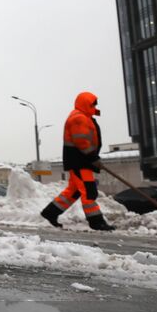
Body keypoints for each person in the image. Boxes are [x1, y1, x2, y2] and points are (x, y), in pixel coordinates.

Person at [41, 92, 114, 231]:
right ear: (86, 103)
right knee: (88, 191)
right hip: (80, 161)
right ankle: (96, 222)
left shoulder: (84, 117)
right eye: (93, 104)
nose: (95, 106)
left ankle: (50, 212)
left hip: (81, 161)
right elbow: (81, 141)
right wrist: (93, 158)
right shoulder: (79, 118)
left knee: (74, 191)